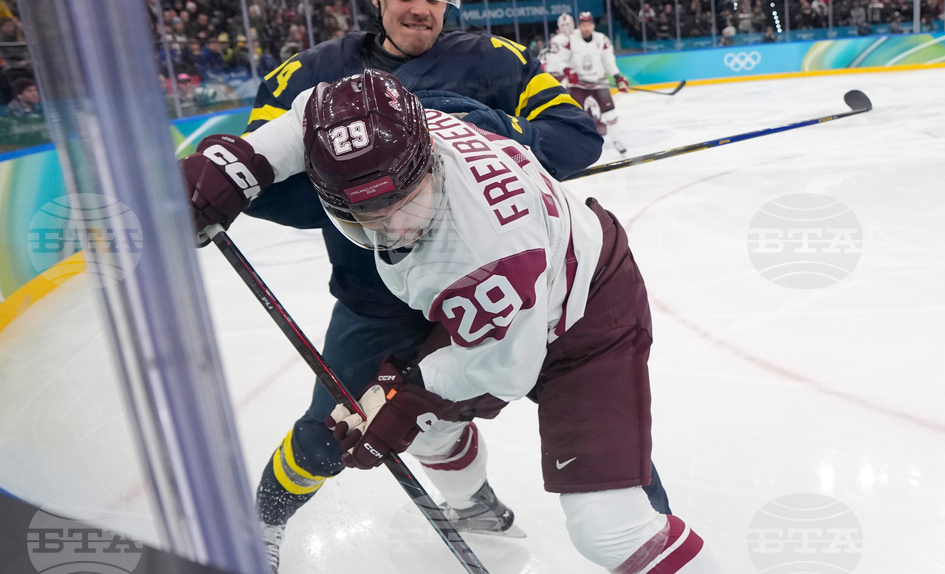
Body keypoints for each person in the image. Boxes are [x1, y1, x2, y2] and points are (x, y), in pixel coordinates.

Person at [180, 0, 670, 572]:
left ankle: (619, 524)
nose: (421, 8)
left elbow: (575, 136)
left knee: (590, 431)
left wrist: (479, 138)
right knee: (330, 433)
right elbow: (265, 183)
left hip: (495, 277)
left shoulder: (495, 60)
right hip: (375, 302)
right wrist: (279, 192)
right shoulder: (307, 76)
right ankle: (260, 526)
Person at [238, 70, 719, 573]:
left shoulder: (484, 250)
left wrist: (404, 400)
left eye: (404, 200)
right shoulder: (401, 122)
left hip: (582, 315)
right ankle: (474, 507)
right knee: (427, 431)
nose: (394, 227)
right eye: (369, 214)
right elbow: (308, 120)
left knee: (608, 529)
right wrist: (232, 167)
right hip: (517, 290)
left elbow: (508, 369)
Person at [547, 11, 631, 156]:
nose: (586, 28)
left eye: (589, 25)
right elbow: (557, 59)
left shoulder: (602, 39)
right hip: (578, 84)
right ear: (579, 26)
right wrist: (567, 70)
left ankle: (617, 140)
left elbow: (608, 61)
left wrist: (617, 77)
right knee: (574, 116)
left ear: (593, 25)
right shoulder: (570, 40)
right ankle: (575, 144)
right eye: (583, 25)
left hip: (600, 83)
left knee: (610, 113)